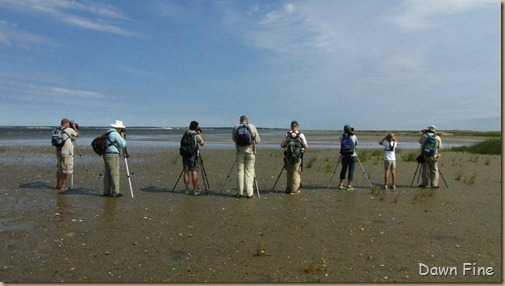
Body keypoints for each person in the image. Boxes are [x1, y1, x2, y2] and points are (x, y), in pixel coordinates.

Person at [232, 115, 260, 198]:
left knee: (240, 171)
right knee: (249, 172)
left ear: (240, 121)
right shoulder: (252, 127)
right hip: (250, 152)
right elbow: (258, 140)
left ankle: (239, 192)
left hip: (239, 151)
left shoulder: (236, 127)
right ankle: (249, 193)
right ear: (247, 120)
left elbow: (234, 139)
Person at [280, 120, 308, 194]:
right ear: (297, 127)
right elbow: (306, 146)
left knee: (289, 172)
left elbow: (282, 145)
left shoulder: (287, 134)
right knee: (296, 172)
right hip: (298, 157)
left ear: (291, 126)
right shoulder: (301, 135)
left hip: (288, 156)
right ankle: (294, 189)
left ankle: (288, 188)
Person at [180, 121, 205, 196]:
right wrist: (200, 135)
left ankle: (187, 190)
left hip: (184, 154)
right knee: (194, 171)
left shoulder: (185, 133)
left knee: (186, 171)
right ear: (196, 127)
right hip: (192, 155)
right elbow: (202, 143)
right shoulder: (196, 135)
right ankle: (194, 190)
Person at [103, 120, 127, 197]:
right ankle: (115, 192)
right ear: (119, 128)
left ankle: (106, 192)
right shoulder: (115, 134)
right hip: (112, 155)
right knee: (114, 173)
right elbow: (122, 145)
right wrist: (122, 138)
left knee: (107, 174)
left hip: (106, 154)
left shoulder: (107, 132)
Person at [55, 118, 79, 192]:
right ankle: (63, 185)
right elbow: (77, 134)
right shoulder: (69, 130)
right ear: (67, 124)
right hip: (66, 152)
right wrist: (74, 127)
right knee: (65, 169)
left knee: (60, 169)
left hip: (58, 152)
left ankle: (58, 184)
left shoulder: (58, 129)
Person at [338, 125, 358, 191]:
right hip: (352, 155)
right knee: (351, 170)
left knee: (343, 169)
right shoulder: (354, 136)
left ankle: (341, 184)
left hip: (344, 155)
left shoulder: (342, 137)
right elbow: (356, 144)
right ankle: (349, 185)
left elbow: (340, 142)